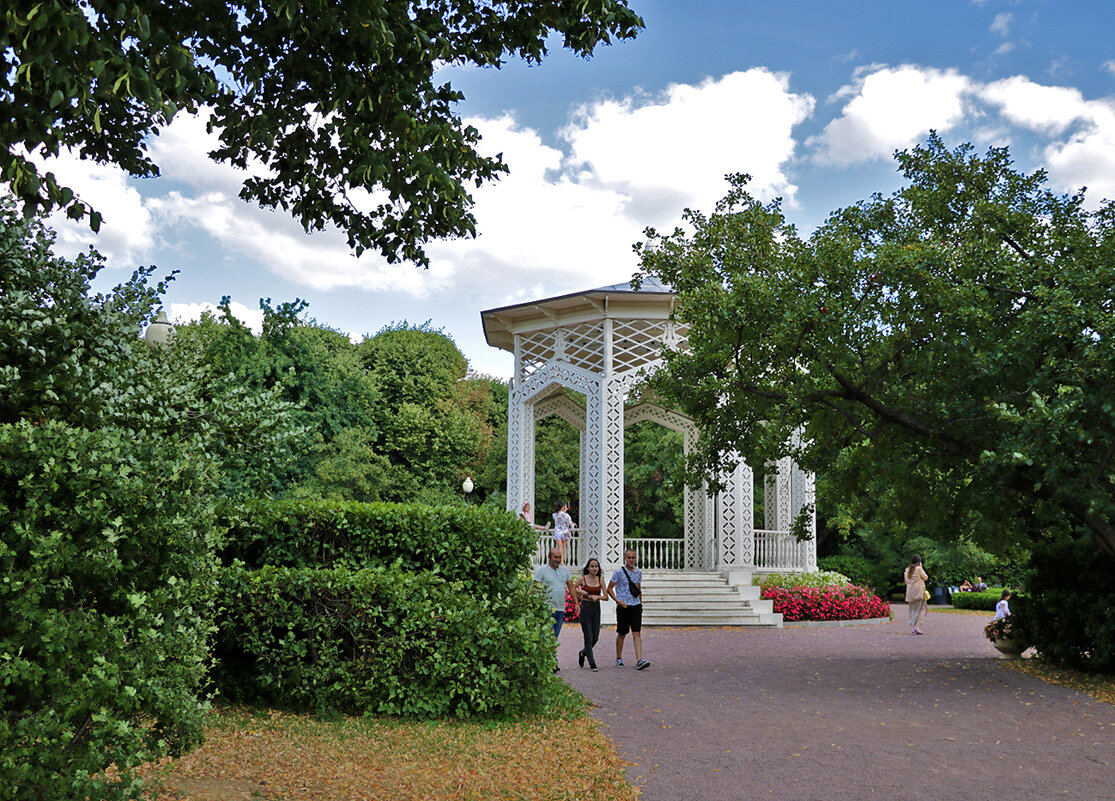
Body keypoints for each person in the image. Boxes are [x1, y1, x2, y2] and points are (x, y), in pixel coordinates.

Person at [533, 547, 579, 670]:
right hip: (546, 609)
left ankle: (548, 660)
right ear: (549, 557)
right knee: (551, 636)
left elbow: (571, 587)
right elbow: (535, 589)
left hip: (560, 609)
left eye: (559, 557)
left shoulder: (565, 571)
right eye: (555, 557)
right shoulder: (541, 571)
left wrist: (576, 604)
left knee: (555, 637)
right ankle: (553, 662)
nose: (558, 559)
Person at [608, 548, 650, 670]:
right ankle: (619, 658)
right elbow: (610, 588)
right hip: (623, 606)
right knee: (622, 633)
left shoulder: (638, 572)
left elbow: (638, 588)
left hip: (636, 606)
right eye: (629, 557)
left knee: (637, 632)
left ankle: (639, 660)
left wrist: (640, 603)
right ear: (625, 558)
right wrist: (617, 601)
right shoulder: (619, 572)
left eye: (633, 557)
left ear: (636, 558)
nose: (631, 560)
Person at [574, 558, 607, 671]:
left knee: (595, 637)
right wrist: (580, 591)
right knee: (588, 637)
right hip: (585, 608)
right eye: (592, 566)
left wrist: (598, 597)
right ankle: (592, 663)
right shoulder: (582, 579)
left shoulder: (600, 580)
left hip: (596, 608)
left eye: (596, 566)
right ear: (588, 568)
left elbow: (606, 597)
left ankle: (583, 653)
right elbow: (571, 589)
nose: (594, 568)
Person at [904, 554, 929, 635]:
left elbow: (906, 581)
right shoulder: (919, 569)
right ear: (919, 561)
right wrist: (921, 567)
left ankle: (915, 626)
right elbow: (925, 577)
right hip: (919, 592)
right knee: (923, 609)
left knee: (914, 610)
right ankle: (916, 627)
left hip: (910, 592)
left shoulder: (907, 569)